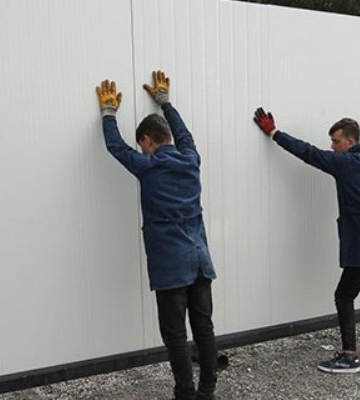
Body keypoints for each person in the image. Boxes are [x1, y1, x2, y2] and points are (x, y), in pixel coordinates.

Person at [253, 105, 360, 373]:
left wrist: (274, 133)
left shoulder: (345, 163)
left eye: (336, 141)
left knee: (344, 295)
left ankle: (349, 357)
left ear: (350, 141)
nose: (332, 146)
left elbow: (308, 153)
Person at [95, 72, 218, 400]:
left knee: (176, 335)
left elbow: (114, 146)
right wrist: (165, 102)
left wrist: (108, 113)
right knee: (204, 329)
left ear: (148, 140)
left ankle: (185, 394)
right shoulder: (191, 159)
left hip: (170, 267)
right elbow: (184, 134)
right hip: (200, 261)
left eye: (142, 145)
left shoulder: (147, 165)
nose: (142, 151)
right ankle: (207, 391)